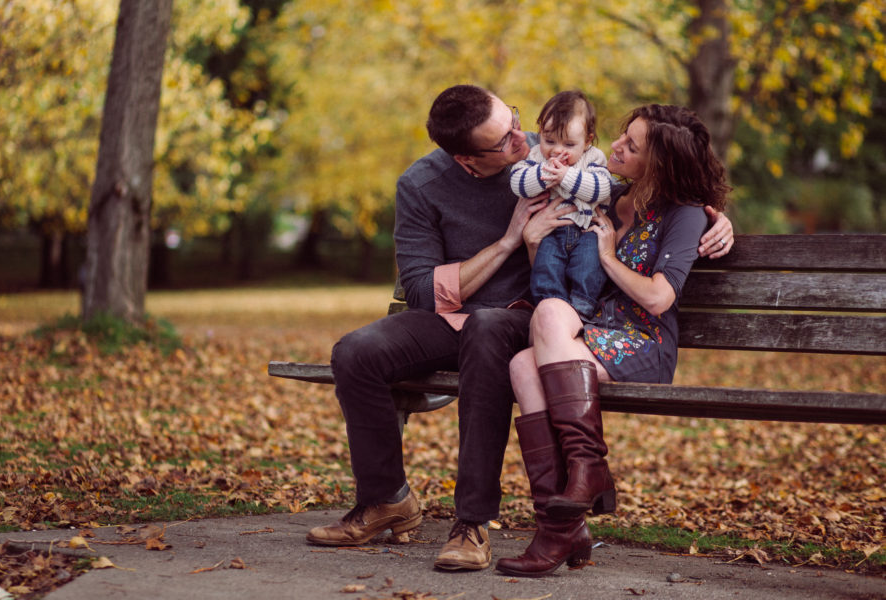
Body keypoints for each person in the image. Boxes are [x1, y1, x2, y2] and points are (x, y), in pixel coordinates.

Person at [305, 85, 734, 572]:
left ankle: (471, 522)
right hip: (453, 315)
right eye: (505, 138)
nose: (523, 139)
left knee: (488, 332)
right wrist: (511, 240)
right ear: (468, 159)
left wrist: (718, 220)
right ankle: (386, 500)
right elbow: (425, 293)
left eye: (513, 120)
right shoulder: (422, 185)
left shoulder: (554, 148)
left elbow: (649, 186)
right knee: (356, 352)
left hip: (524, 315)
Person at [495, 104, 731, 577]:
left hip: (644, 341)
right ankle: (563, 522)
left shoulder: (683, 215)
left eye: (632, 144)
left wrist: (607, 255)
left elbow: (660, 298)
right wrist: (534, 240)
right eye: (623, 135)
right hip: (598, 331)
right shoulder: (608, 194)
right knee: (524, 361)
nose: (617, 145)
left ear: (658, 164)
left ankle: (580, 487)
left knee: (542, 331)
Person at [510, 90, 613, 321]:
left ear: (587, 141)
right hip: (550, 233)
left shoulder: (593, 158)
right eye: (550, 141)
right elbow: (518, 183)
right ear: (540, 135)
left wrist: (566, 176)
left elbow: (601, 188)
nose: (557, 150)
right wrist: (544, 174)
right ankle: (551, 308)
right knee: (546, 268)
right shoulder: (536, 157)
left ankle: (581, 308)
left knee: (588, 267)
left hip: (586, 230)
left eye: (568, 143)